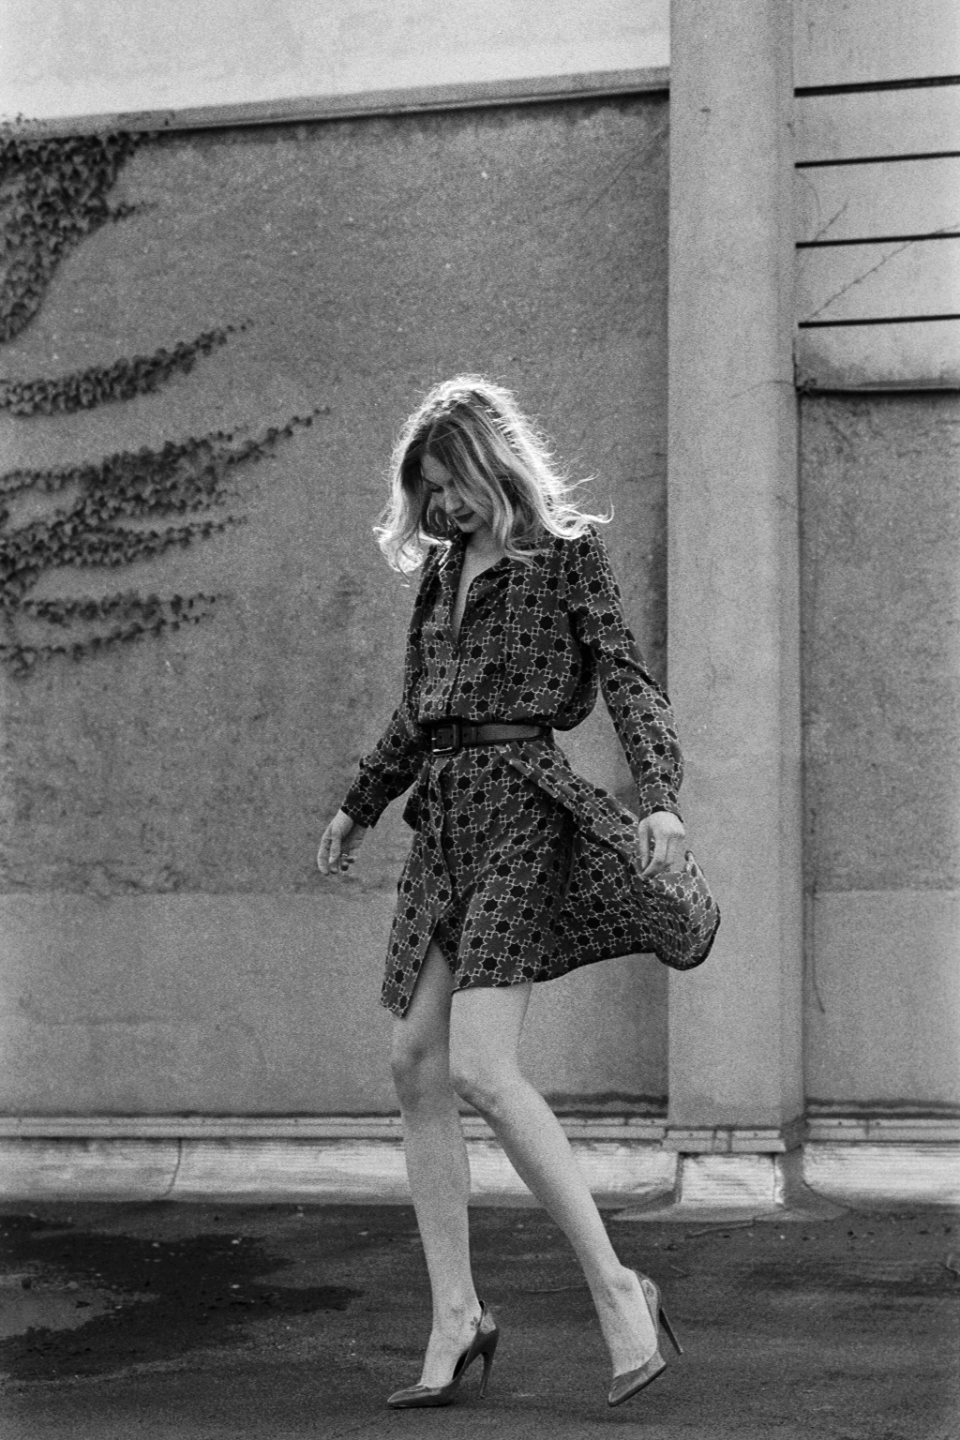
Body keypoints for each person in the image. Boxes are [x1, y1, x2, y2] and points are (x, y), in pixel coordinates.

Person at [317, 376, 716, 1410]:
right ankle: (458, 1315)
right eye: (425, 495)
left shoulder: (564, 556)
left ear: (491, 465)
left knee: (486, 1068)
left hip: (520, 814)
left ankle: (621, 1289)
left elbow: (626, 676)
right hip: (443, 818)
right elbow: (422, 706)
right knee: (414, 1061)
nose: (437, 509)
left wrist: (661, 799)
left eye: (446, 485)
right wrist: (362, 801)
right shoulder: (443, 575)